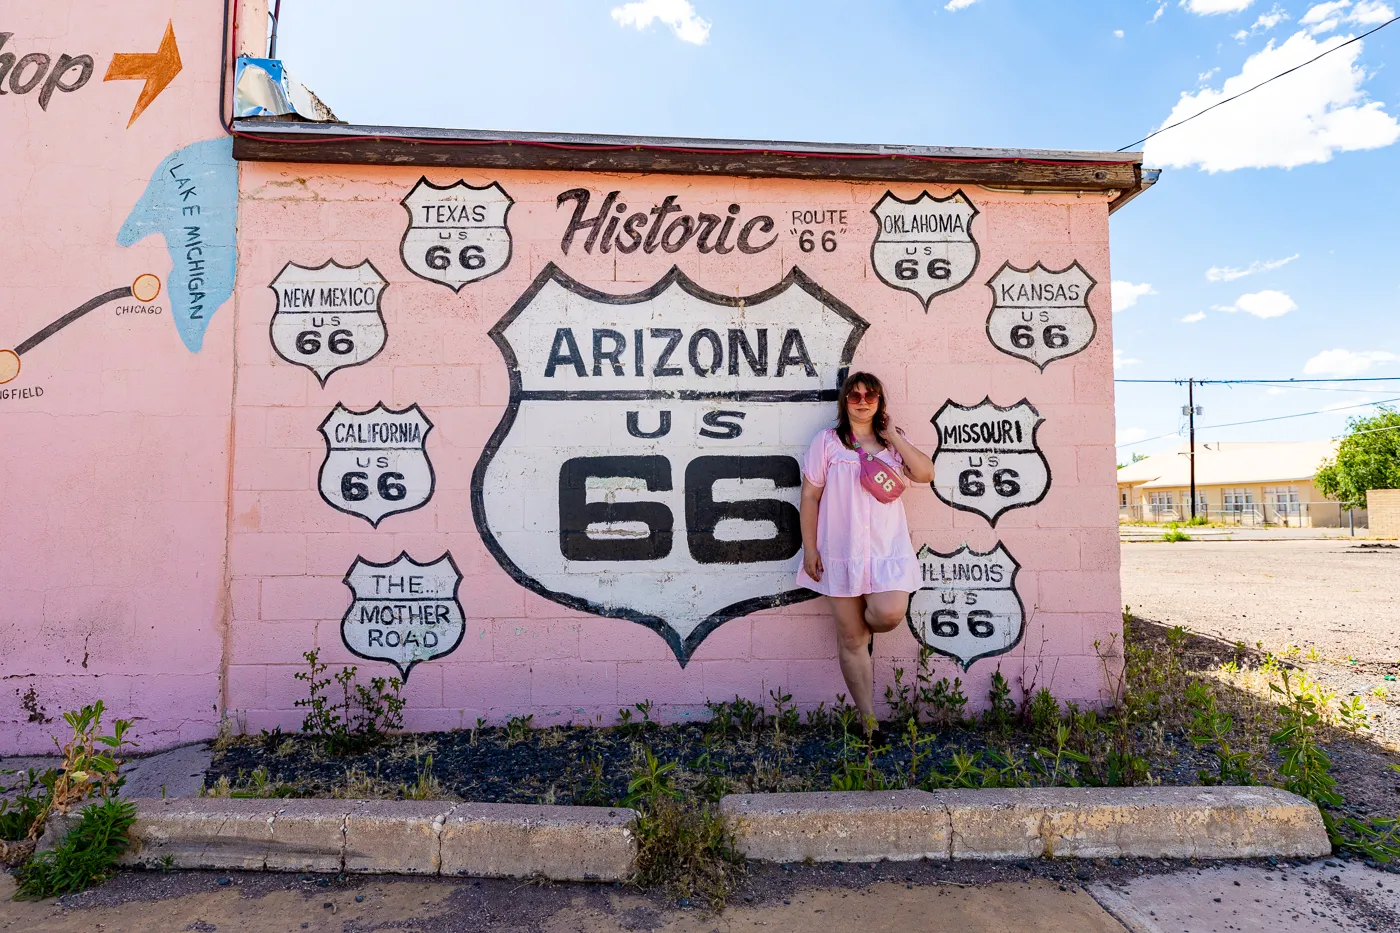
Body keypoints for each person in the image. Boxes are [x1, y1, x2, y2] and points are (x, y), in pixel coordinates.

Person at [797, 371, 934, 732]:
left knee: (889, 613)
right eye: (854, 395)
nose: (862, 401)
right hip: (840, 553)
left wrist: (893, 438)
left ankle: (866, 625)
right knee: (851, 638)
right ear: (845, 401)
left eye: (870, 395)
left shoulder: (893, 444)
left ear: (879, 401)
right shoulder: (827, 443)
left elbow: (925, 473)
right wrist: (810, 548)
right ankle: (869, 722)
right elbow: (810, 496)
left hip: (887, 552)